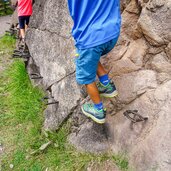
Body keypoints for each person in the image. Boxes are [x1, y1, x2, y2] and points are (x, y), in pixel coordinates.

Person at [67, 0, 121, 124]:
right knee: (92, 58)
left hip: (90, 37)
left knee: (86, 78)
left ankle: (98, 110)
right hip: (112, 32)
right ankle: (107, 85)